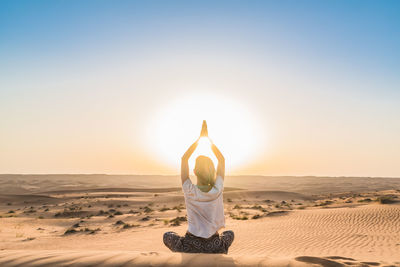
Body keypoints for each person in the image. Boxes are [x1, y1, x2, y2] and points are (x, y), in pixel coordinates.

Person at [163, 121, 234, 254]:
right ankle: (220, 251)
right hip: (214, 245)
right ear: (213, 172)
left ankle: (187, 254)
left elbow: (184, 159)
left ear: (194, 171)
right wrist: (208, 139)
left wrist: (199, 139)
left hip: (190, 244)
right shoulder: (217, 188)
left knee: (167, 235)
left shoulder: (189, 190)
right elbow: (222, 160)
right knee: (230, 234)